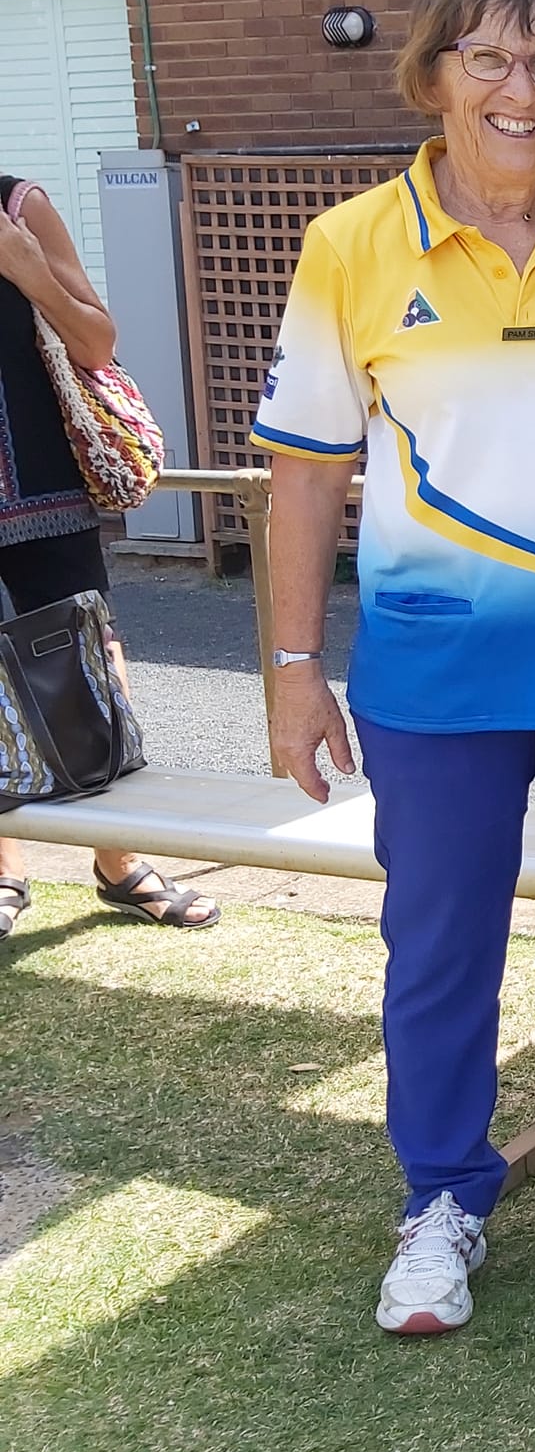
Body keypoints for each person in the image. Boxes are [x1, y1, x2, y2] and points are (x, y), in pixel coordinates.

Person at [254, 0, 535, 1336]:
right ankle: (441, 1196)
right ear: (432, 78)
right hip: (436, 678)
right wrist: (287, 669)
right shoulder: (350, 247)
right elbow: (308, 478)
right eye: (490, 59)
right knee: (438, 946)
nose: (521, 87)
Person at [0, 175, 217, 933]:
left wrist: (26, 267)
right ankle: (4, 864)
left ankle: (118, 857)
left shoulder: (17, 205)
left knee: (86, 664)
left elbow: (95, 342)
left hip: (39, 485)